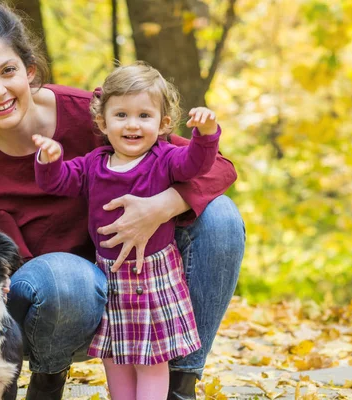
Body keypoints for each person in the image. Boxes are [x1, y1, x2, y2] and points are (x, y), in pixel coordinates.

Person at [0, 2, 245, 399]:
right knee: (68, 276)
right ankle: (48, 378)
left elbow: (216, 168)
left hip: (141, 300)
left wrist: (162, 206)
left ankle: (179, 384)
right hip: (53, 308)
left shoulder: (98, 117)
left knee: (221, 217)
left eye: (8, 71)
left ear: (30, 71)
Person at [32, 62, 221, 400]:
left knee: (152, 360)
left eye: (144, 116)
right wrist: (48, 160)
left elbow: (196, 164)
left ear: (163, 123)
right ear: (103, 122)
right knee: (115, 357)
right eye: (121, 115)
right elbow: (58, 183)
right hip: (111, 275)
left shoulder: (164, 159)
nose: (132, 125)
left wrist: (205, 136)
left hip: (154, 277)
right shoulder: (93, 164)